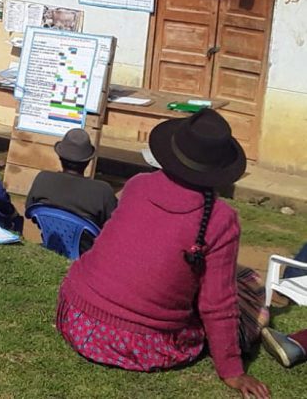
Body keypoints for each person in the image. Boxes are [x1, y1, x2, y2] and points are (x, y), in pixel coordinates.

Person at [56, 109, 269, 399]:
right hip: (140, 344)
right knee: (248, 285)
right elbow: (216, 303)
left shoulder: (137, 184)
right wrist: (232, 370)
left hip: (76, 315)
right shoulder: (221, 219)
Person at [25, 128, 117, 228]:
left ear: (60, 157)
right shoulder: (103, 191)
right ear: (88, 161)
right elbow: (115, 225)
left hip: (50, 236)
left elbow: (30, 211)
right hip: (87, 242)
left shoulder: (43, 178)